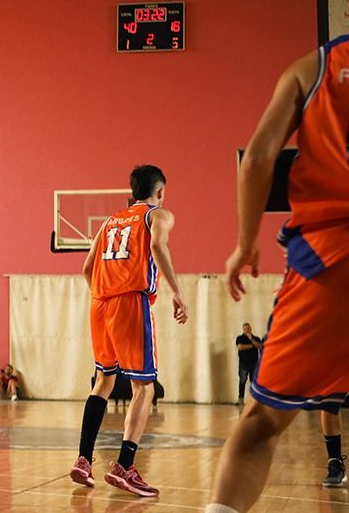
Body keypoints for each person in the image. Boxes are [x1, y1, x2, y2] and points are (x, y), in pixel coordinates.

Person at [208, 39, 349, 513]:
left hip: (332, 262)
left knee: (262, 424)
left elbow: (258, 160)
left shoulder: (314, 68)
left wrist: (246, 243)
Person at [70, 164, 189, 497]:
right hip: (129, 302)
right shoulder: (158, 215)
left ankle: (83, 459)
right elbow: (157, 248)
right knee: (144, 388)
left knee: (103, 382)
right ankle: (124, 465)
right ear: (159, 191)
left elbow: (86, 268)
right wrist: (178, 293)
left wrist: (103, 293)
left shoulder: (109, 222)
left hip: (99, 302)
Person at [234, 323, 263, 405]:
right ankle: (240, 400)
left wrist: (252, 339)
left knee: (254, 383)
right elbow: (240, 347)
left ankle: (255, 400)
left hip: (254, 364)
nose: (246, 330)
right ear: (243, 330)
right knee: (242, 381)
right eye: (245, 328)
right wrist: (251, 346)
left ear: (251, 328)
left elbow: (260, 346)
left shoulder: (256, 338)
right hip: (243, 364)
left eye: (248, 328)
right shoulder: (240, 338)